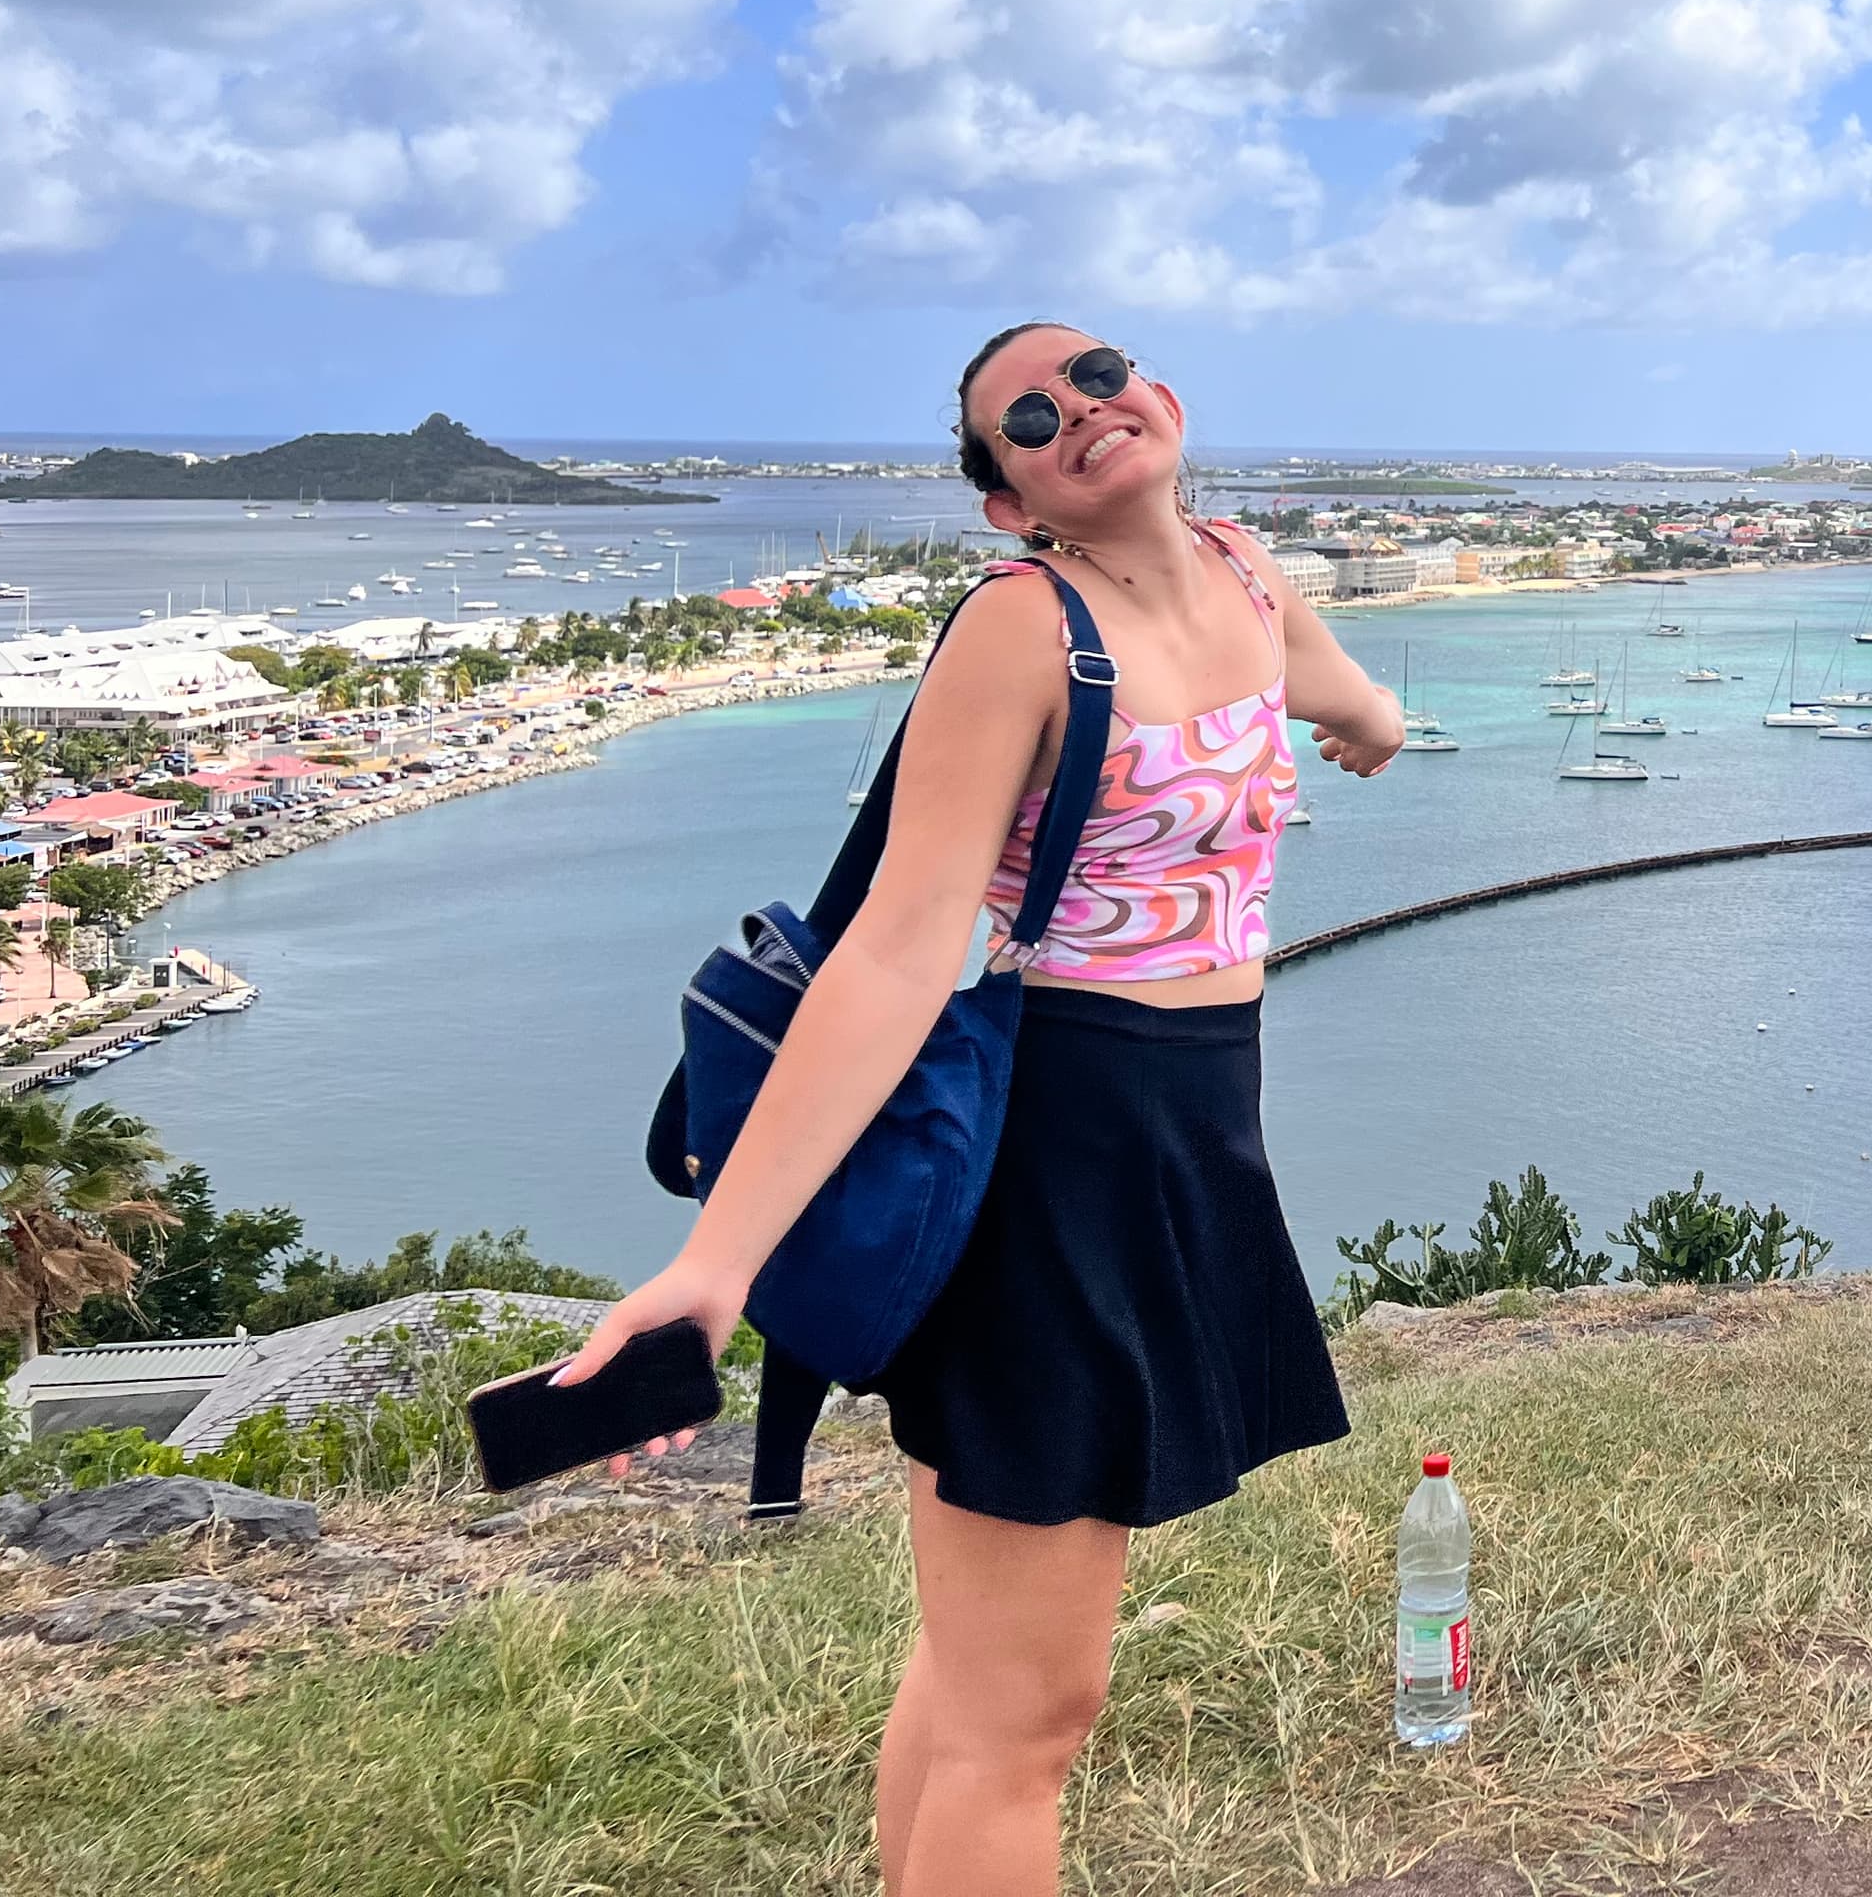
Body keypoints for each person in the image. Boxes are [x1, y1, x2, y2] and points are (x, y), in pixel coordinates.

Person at [558, 323, 1402, 1896]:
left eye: (1097, 376)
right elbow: (891, 952)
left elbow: (1345, 697)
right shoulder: (1022, 635)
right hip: (1057, 1151)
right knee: (1032, 1720)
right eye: (1027, 420)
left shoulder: (1242, 570)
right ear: (1013, 505)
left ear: (1164, 402)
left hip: (1194, 1134)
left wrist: (1366, 731)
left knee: (974, 1680)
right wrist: (718, 1266)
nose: (1077, 412)